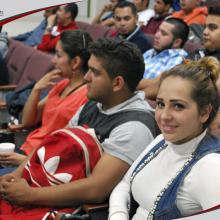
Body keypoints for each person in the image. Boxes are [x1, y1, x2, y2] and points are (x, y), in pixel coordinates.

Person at [0, 38, 158, 218]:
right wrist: (15, 176)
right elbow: (54, 144)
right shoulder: (95, 103)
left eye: (94, 72)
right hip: (47, 182)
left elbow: (96, 189)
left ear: (117, 84)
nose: (85, 77)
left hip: (77, 208)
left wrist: (28, 195)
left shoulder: (134, 127)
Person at [109, 56, 220, 220]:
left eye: (178, 106)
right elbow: (125, 184)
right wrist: (118, 216)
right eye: (161, 104)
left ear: (204, 112)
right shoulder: (162, 141)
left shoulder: (210, 167)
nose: (164, 116)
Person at [0, 30, 92, 173]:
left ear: (75, 62)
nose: (53, 60)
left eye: (58, 55)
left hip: (39, 163)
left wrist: (24, 160)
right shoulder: (62, 85)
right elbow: (28, 121)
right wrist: (36, 89)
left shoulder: (86, 96)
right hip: (24, 150)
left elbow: (64, 149)